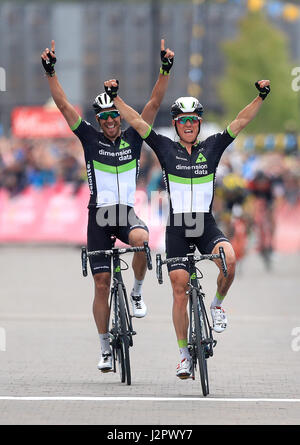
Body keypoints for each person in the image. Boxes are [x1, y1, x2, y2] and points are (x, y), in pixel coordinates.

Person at [103, 77, 271, 378]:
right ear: (176, 124)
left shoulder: (213, 147)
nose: (189, 125)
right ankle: (183, 354)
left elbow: (240, 121)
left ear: (199, 123)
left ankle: (217, 306)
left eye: (193, 120)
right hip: (178, 228)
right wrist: (115, 99)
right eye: (183, 121)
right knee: (179, 289)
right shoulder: (166, 148)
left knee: (229, 260)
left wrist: (260, 96)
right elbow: (139, 123)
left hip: (204, 225)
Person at [41, 39, 174, 372]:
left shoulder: (133, 137)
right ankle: (103, 347)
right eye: (104, 117)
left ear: (119, 116)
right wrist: (51, 72)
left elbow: (155, 102)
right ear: (98, 120)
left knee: (144, 241)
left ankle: (139, 292)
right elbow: (62, 105)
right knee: (101, 283)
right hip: (99, 217)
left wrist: (165, 69)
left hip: (125, 214)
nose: (111, 120)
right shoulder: (89, 138)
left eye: (114, 115)